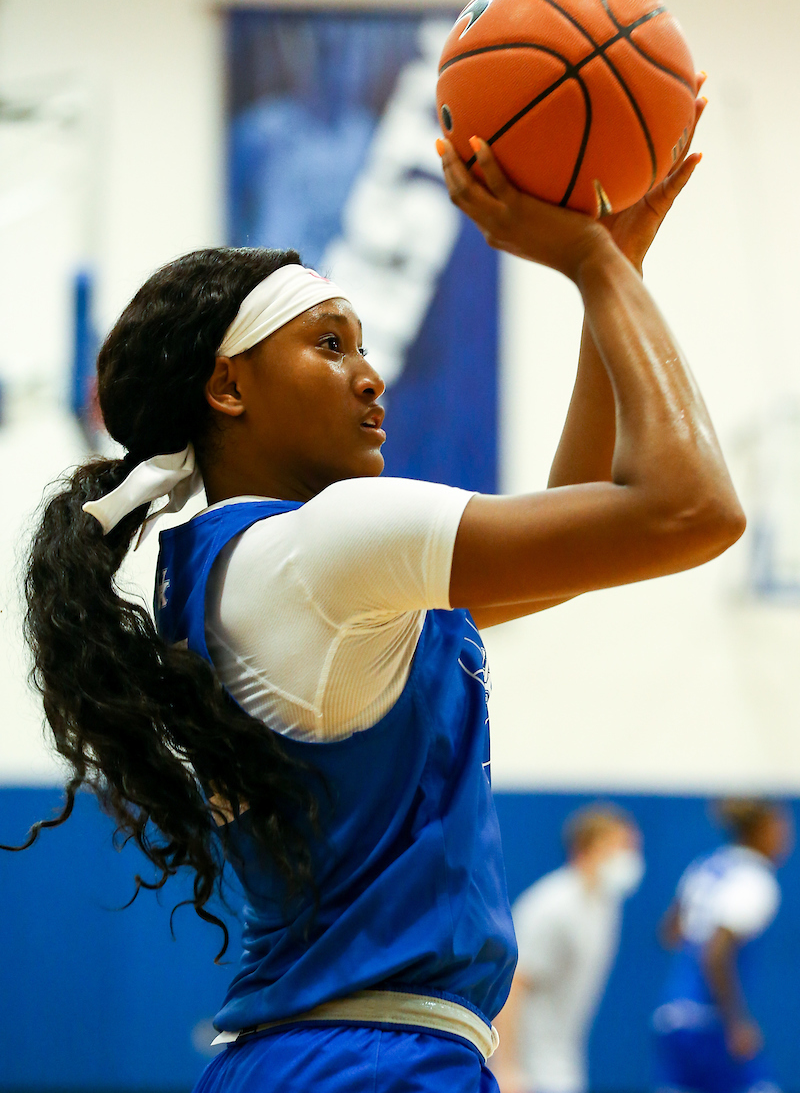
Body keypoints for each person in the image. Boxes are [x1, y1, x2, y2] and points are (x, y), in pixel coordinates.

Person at [10, 73, 745, 1092]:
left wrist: (605, 276)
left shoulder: (259, 571)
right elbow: (692, 510)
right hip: (370, 1064)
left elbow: (583, 536)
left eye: (363, 344)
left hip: (320, 1056)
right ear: (227, 388)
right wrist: (585, 258)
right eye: (328, 344)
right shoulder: (324, 551)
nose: (370, 375)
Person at [492, 804, 644, 1093]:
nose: (631, 857)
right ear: (589, 847)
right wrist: (507, 1069)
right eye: (623, 846)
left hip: (563, 1066)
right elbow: (512, 984)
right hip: (531, 1073)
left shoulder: (605, 905)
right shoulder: (552, 906)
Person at [653, 798, 793, 1093]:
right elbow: (716, 952)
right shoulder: (755, 879)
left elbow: (670, 932)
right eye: (782, 828)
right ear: (762, 830)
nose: (787, 838)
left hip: (672, 1015)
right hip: (709, 1022)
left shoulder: (706, 865)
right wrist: (735, 1022)